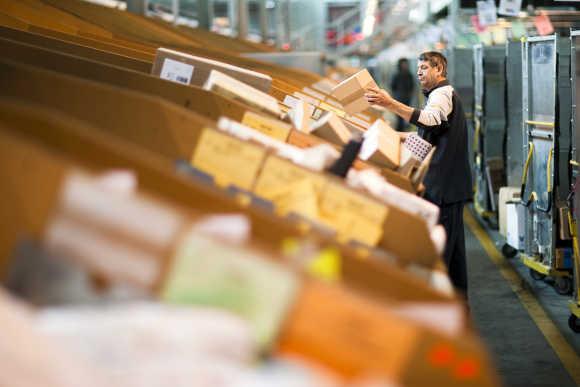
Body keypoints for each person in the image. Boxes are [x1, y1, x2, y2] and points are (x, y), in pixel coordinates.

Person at [365, 51, 472, 299]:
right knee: (453, 254)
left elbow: (432, 121)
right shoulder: (437, 96)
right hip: (447, 184)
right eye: (419, 68)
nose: (420, 72)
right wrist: (394, 138)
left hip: (444, 185)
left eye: (425, 67)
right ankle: (457, 304)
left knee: (441, 255)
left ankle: (440, 305)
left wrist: (390, 103)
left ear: (440, 69)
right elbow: (430, 134)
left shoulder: (443, 94)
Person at [390, 58, 415, 131]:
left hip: (407, 98)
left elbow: (411, 86)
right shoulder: (396, 75)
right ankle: (399, 129)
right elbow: (393, 86)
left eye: (406, 64)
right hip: (398, 98)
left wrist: (410, 94)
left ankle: (402, 128)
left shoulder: (409, 75)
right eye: (403, 64)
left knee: (406, 114)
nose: (405, 65)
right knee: (399, 115)